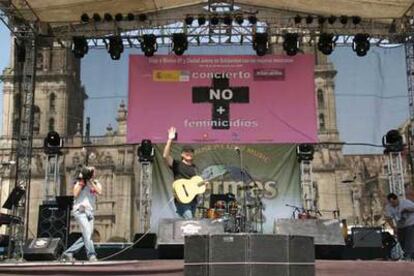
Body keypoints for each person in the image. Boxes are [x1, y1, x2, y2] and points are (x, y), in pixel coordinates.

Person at [62, 166, 102, 262]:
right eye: (90, 171)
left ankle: (68, 253)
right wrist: (82, 181)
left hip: (90, 212)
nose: (93, 172)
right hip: (80, 210)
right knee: (87, 232)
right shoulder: (80, 182)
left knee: (87, 234)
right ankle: (91, 255)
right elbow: (75, 193)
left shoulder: (95, 183)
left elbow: (99, 191)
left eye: (92, 171)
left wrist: (90, 182)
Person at [163, 127, 198, 219]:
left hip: (192, 200)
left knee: (189, 226)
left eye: (191, 152)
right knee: (190, 222)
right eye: (186, 152)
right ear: (182, 154)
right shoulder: (177, 164)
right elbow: (165, 156)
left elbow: (194, 184)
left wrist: (202, 185)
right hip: (182, 200)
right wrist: (170, 139)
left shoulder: (194, 168)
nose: (189, 153)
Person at [384, 193, 414, 260]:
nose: (393, 204)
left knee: (409, 239)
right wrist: (393, 228)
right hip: (400, 225)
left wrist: (408, 209)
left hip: (411, 223)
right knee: (401, 240)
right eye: (391, 202)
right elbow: (389, 218)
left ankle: (408, 255)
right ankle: (411, 254)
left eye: (394, 202)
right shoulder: (388, 207)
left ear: (397, 199)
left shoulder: (405, 202)